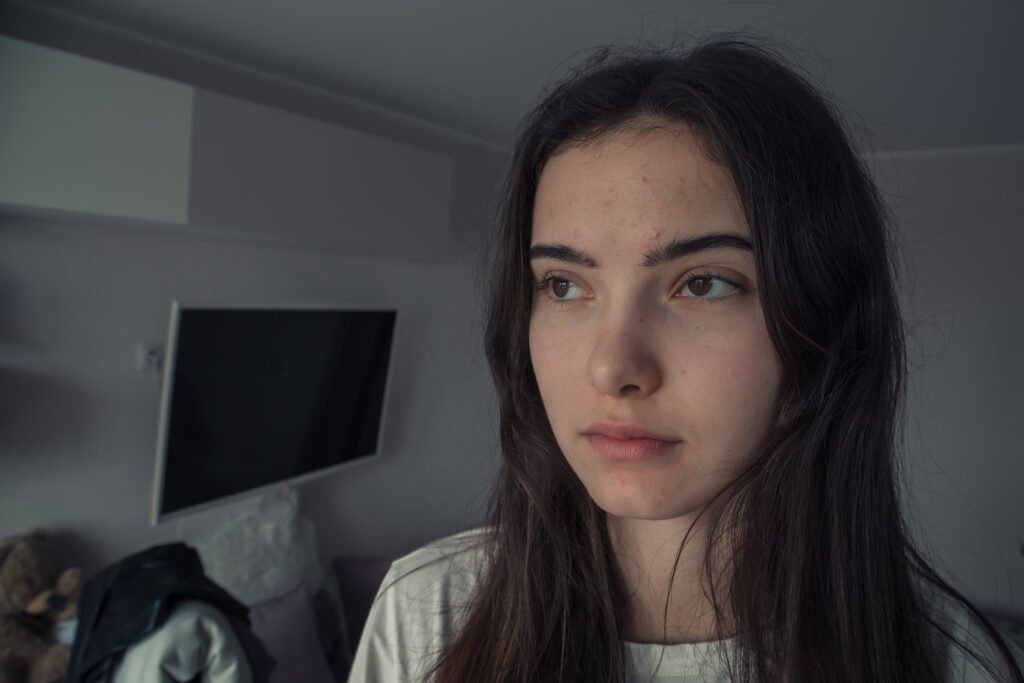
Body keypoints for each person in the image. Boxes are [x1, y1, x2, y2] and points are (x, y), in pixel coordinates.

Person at [348, 38, 1024, 682]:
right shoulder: (426, 615)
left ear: (821, 323)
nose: (612, 369)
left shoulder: (953, 661)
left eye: (701, 282)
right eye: (563, 284)